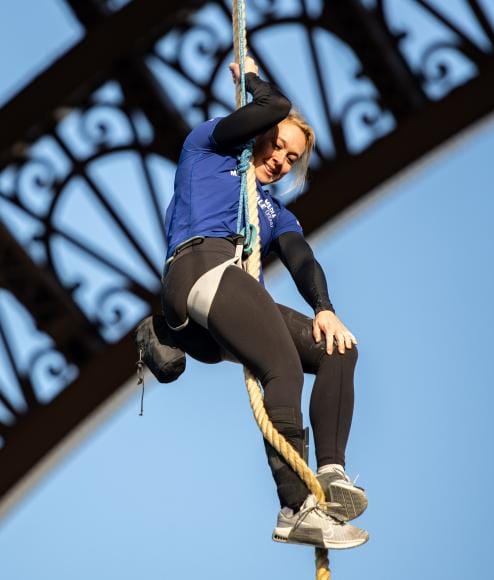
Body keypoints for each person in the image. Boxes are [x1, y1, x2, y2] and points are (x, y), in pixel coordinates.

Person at [159, 57, 369, 550]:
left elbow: (301, 259)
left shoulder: (274, 212)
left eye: (292, 158)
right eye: (276, 144)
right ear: (258, 131)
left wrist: (324, 308)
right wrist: (250, 78)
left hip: (224, 302)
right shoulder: (209, 147)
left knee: (339, 349)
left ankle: (330, 473)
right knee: (284, 369)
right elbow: (276, 104)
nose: (280, 159)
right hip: (200, 270)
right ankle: (296, 509)